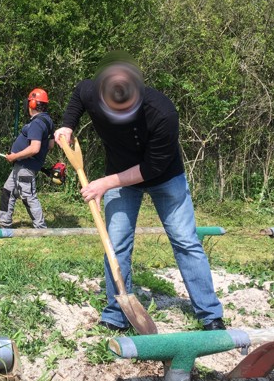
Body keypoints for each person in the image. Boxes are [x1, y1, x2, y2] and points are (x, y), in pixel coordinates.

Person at [54, 52, 225, 332]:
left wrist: (104, 183)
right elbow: (77, 95)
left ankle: (210, 314)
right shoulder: (92, 91)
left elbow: (152, 167)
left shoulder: (163, 113)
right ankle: (116, 314)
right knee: (117, 243)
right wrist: (67, 124)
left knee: (185, 241)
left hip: (165, 177)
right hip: (119, 176)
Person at [0, 88, 55, 229]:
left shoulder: (36, 123)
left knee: (28, 197)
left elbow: (35, 148)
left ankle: (41, 228)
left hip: (26, 166)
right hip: (23, 165)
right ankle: (4, 223)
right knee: (7, 191)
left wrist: (14, 156)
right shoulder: (48, 121)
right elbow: (51, 145)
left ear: (33, 104)